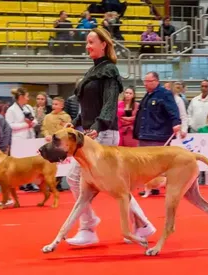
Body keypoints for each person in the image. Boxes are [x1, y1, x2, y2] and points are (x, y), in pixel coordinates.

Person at [64, 28, 156, 246]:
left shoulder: (109, 70)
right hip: (93, 134)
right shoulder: (94, 71)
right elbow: (87, 107)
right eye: (86, 43)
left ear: (103, 44)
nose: (87, 46)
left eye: (90, 42)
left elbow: (109, 104)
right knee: (116, 187)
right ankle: (142, 225)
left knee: (74, 178)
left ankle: (89, 226)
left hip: (102, 134)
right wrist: (75, 123)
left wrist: (97, 125)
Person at [133, 72, 181, 196]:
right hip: (145, 134)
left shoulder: (164, 94)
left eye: (148, 81)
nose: (145, 84)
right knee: (145, 165)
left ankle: (171, 186)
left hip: (158, 134)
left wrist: (176, 123)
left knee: (158, 165)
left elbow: (173, 110)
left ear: (156, 81)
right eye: (145, 81)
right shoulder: (148, 95)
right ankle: (150, 186)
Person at [5, 87, 39, 192]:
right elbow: (10, 125)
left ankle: (30, 183)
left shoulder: (28, 107)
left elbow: (35, 121)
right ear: (21, 97)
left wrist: (31, 123)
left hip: (29, 137)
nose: (28, 99)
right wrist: (25, 124)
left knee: (30, 163)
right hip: (18, 139)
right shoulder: (11, 110)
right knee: (19, 163)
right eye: (27, 96)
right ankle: (19, 183)